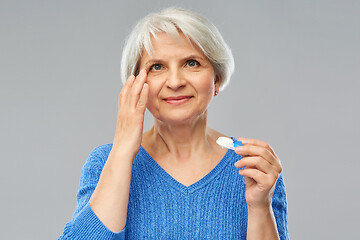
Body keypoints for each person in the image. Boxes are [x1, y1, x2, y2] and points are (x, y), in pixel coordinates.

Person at [59, 7, 288, 240]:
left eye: (191, 63)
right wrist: (121, 153)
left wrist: (260, 206)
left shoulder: (255, 167)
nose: (176, 81)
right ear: (136, 84)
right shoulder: (105, 162)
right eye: (157, 67)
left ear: (216, 78)